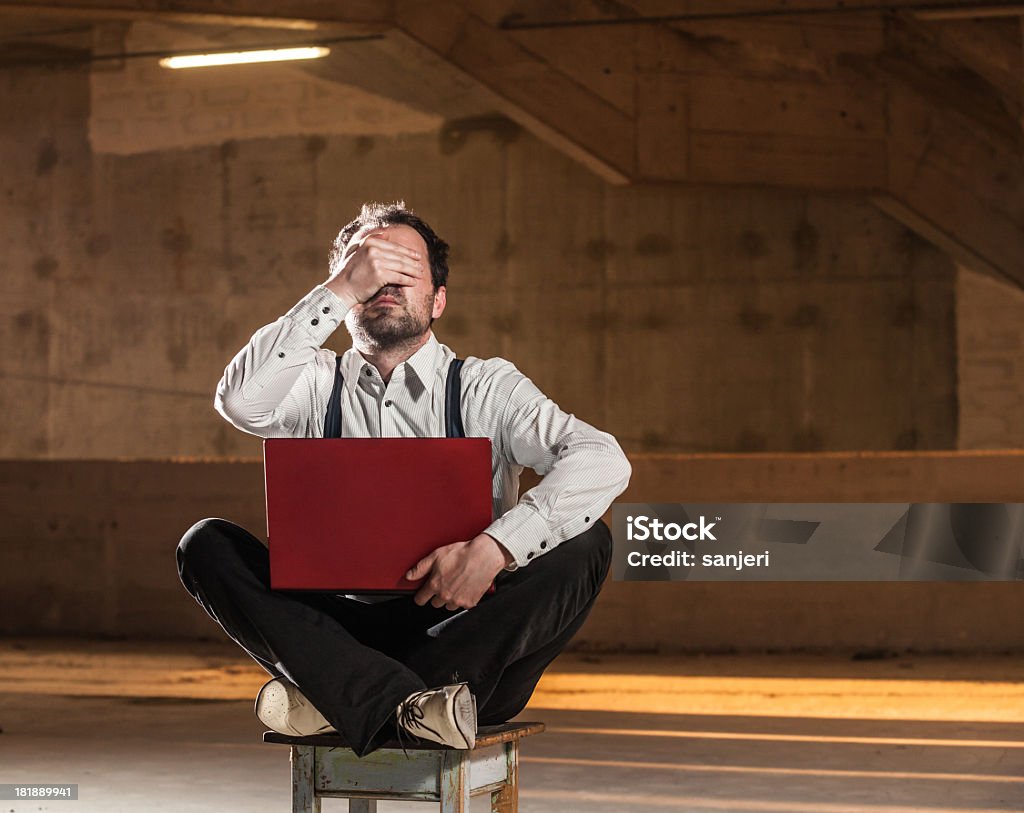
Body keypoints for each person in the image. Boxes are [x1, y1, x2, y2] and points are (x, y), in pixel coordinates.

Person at [176, 201, 631, 757]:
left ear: (438, 299)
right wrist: (340, 289)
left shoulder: (485, 387)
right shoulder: (313, 384)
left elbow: (602, 458)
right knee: (206, 544)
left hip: (465, 637)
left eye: (404, 268)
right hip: (339, 630)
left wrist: (494, 549)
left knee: (587, 542)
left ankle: (340, 698)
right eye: (368, 264)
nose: (385, 279)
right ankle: (414, 706)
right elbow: (241, 403)